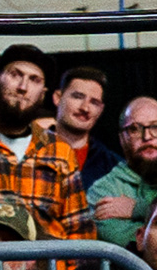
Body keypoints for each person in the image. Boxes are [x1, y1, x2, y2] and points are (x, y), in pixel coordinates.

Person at [0, 41, 95, 245]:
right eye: (15, 75)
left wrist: (58, 266)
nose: (23, 87)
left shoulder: (59, 151)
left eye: (34, 80)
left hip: (47, 264)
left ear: (43, 94)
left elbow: (80, 232)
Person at [85, 96, 157, 249]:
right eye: (134, 129)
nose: (147, 137)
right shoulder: (102, 192)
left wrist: (139, 209)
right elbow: (122, 242)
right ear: (122, 139)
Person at [46, 60, 115, 188]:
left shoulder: (113, 167)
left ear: (101, 110)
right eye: (77, 97)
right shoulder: (26, 151)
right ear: (57, 97)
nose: (85, 108)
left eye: (94, 102)